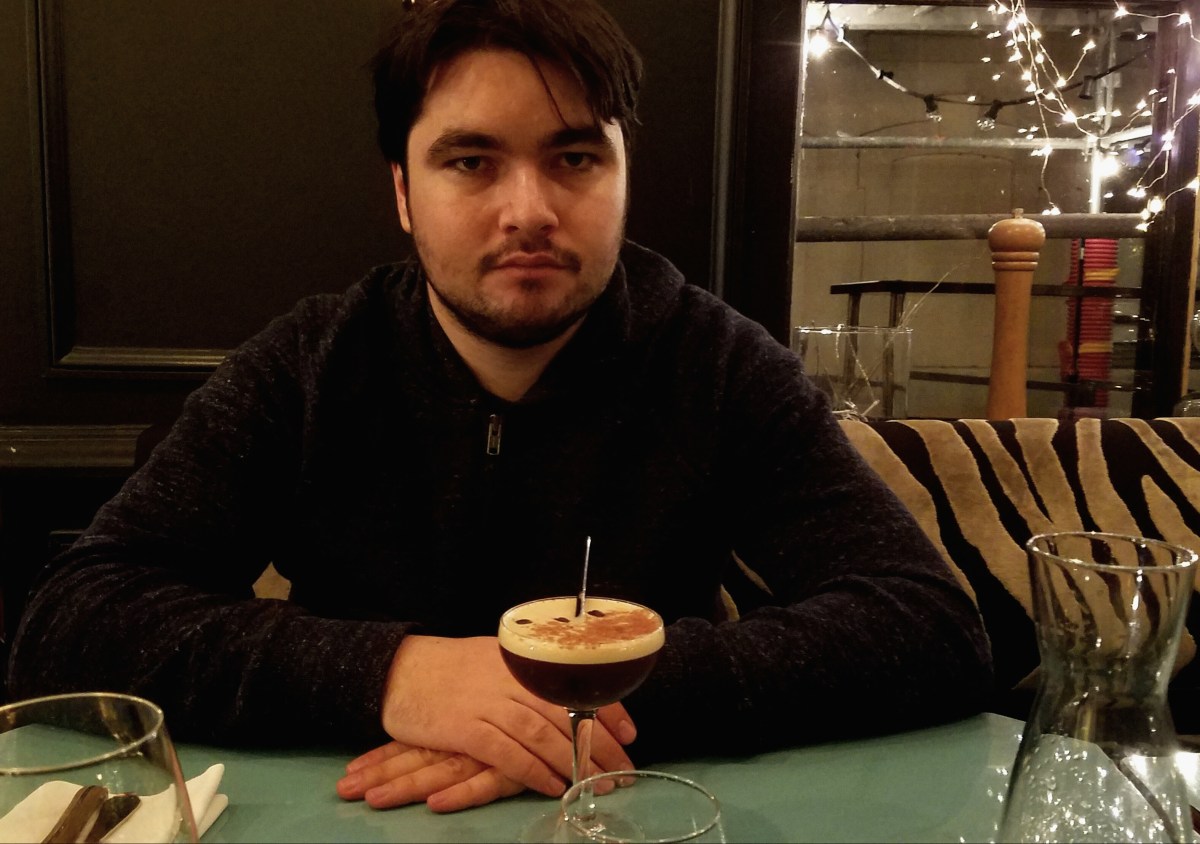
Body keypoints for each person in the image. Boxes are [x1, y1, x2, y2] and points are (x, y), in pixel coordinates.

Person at [6, 0, 992, 817]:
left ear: (625, 176)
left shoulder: (718, 361)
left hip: (636, 816)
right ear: (403, 192)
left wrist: (578, 703)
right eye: (471, 162)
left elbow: (929, 625)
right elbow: (71, 619)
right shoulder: (310, 364)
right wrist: (397, 677)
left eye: (575, 158)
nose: (529, 210)